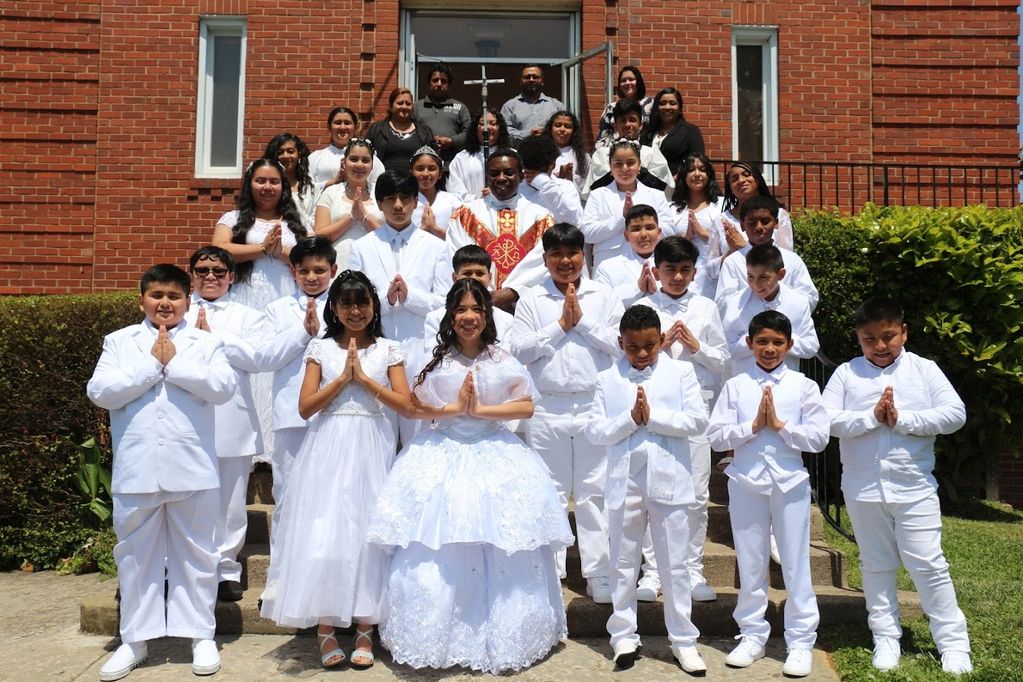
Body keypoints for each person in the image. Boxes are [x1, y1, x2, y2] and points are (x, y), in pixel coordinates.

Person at [367, 278, 573, 674]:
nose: (468, 317)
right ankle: (437, 634)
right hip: (441, 453)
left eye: (475, 310)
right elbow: (415, 407)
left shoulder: (502, 359)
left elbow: (526, 406)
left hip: (493, 453)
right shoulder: (437, 361)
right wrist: (454, 408)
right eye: (460, 309)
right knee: (435, 545)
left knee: (502, 544)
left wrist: (480, 412)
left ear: (486, 315)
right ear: (450, 315)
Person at [87, 264, 237, 681]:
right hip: (137, 468)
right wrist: (152, 367)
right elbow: (99, 391)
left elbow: (223, 388)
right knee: (136, 557)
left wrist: (177, 366)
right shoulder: (120, 342)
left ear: (188, 300)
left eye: (174, 295)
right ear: (141, 300)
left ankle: (200, 635)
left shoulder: (206, 343)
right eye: (156, 295)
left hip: (192, 466)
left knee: (198, 554)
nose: (165, 303)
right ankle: (135, 640)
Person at [260, 270, 411, 670]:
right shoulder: (320, 348)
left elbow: (406, 404)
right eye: (347, 303)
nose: (355, 310)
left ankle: (366, 627)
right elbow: (306, 406)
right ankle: (325, 627)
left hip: (374, 447)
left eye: (362, 302)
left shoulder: (389, 349)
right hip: (327, 448)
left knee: (369, 534)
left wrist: (365, 380)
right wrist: (344, 378)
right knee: (326, 533)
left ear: (374, 306)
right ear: (335, 307)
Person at [822, 298, 972, 676]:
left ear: (903, 332)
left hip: (914, 485)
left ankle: (953, 644)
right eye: (869, 338)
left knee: (929, 563)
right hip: (862, 486)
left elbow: (955, 414)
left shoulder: (925, 370)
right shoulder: (846, 373)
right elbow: (826, 420)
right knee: (876, 565)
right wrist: (870, 419)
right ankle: (886, 637)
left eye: (888, 336)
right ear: (858, 337)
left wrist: (903, 419)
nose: (880, 345)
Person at [584, 304, 709, 673]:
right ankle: (623, 636)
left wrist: (652, 418)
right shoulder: (607, 379)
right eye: (633, 347)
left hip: (669, 479)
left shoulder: (681, 372)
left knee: (675, 564)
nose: (641, 354)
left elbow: (697, 420)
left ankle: (684, 640)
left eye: (650, 346)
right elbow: (595, 430)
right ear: (620, 342)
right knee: (623, 562)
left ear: (661, 341)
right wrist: (629, 420)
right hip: (626, 481)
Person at [707, 310, 830, 678]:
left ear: (790, 346)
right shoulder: (737, 385)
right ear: (750, 344)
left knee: (795, 562)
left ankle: (800, 640)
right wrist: (752, 426)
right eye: (762, 341)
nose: (770, 348)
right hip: (746, 481)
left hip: (789, 482)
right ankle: (751, 634)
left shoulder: (804, 386)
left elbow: (819, 438)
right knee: (750, 561)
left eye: (777, 342)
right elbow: (717, 435)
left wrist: (780, 425)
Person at [509, 223, 624, 603]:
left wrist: (583, 322)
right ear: (545, 259)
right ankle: (552, 571)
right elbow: (520, 351)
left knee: (594, 493)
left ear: (584, 256)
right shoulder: (530, 299)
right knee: (551, 493)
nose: (565, 261)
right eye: (556, 254)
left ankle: (598, 573)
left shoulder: (603, 296)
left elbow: (619, 346)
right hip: (547, 405)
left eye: (572, 253)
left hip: (594, 404)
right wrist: (560, 325)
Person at [635, 235, 729, 604]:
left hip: (695, 411)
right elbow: (629, 357)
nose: (677, 277)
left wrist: (696, 347)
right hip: (654, 409)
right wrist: (658, 345)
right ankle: (653, 571)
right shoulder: (643, 306)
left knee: (696, 495)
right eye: (670, 270)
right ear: (656, 270)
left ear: (694, 272)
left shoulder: (705, 307)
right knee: (651, 493)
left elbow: (723, 362)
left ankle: (692, 570)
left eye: (685, 270)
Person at [184, 247, 271, 604]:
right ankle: (189, 567)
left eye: (219, 271)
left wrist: (213, 339)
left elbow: (257, 357)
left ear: (231, 277)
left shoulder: (248, 316)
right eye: (202, 270)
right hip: (185, 421)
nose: (210, 277)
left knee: (231, 505)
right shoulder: (177, 310)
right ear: (192, 274)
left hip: (232, 420)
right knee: (186, 499)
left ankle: (225, 570)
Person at [260, 237, 338, 561]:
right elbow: (265, 357)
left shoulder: (345, 304)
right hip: (292, 413)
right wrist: (303, 334)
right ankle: (280, 580)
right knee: (289, 495)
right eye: (304, 270)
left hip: (335, 415)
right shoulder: (277, 309)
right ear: (293, 271)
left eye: (319, 270)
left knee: (330, 497)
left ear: (333, 270)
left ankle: (321, 577)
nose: (311, 277)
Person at [349, 169, 452, 345]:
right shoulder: (361, 247)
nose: (398, 205)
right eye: (390, 199)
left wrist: (410, 297)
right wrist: (386, 300)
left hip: (423, 345)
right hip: (375, 344)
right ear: (380, 204)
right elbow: (354, 302)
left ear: (415, 202)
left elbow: (445, 303)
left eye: (404, 199)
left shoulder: (437, 247)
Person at [447, 148, 555, 312]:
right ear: (487, 177)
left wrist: (513, 291)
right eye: (494, 173)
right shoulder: (465, 214)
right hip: (477, 303)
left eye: (509, 173)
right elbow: (458, 255)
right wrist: (484, 291)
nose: (501, 178)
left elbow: (541, 261)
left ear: (521, 176)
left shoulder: (541, 217)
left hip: (525, 304)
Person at [212, 158, 308, 312]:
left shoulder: (298, 222)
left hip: (287, 295)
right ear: (249, 184)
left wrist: (280, 252)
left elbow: (313, 258)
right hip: (244, 294)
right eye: (260, 181)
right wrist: (262, 248)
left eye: (274, 181)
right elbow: (218, 252)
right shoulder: (232, 218)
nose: (267, 187)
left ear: (283, 186)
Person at [719, 243, 819, 376]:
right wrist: (753, 340)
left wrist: (782, 339)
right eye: (750, 277)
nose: (756, 284)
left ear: (781, 274)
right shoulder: (734, 303)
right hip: (746, 379)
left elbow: (811, 346)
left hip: (785, 379)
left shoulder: (798, 302)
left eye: (763, 277)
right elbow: (726, 350)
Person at [582, 139, 674, 268]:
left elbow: (670, 230)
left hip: (649, 261)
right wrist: (622, 218)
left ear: (639, 164)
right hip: (608, 262)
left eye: (630, 163)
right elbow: (587, 234)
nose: (625, 169)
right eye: (618, 164)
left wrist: (644, 227)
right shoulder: (598, 195)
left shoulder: (655, 194)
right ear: (610, 165)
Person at [715, 195, 818, 309]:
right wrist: (756, 296)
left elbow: (809, 297)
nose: (759, 227)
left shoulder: (792, 260)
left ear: (776, 223)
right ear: (743, 225)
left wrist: (776, 297)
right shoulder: (732, 262)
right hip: (746, 325)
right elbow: (723, 302)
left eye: (765, 221)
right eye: (752, 222)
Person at [582, 99, 674, 201]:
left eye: (632, 119)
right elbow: (595, 188)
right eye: (622, 120)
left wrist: (640, 169)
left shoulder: (652, 153)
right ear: (615, 125)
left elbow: (664, 189)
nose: (627, 124)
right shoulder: (602, 155)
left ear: (641, 124)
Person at [314, 138, 384, 269]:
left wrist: (364, 216)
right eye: (353, 159)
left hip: (375, 263)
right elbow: (319, 238)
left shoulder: (382, 192)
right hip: (339, 263)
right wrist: (350, 218)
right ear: (344, 163)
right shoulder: (331, 192)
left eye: (365, 160)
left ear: (372, 165)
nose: (359, 165)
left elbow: (390, 236)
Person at [669, 153, 725, 298]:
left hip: (714, 272)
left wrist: (704, 234)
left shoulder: (722, 205)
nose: (697, 174)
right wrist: (685, 238)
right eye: (691, 169)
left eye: (702, 169)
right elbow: (664, 244)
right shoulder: (672, 208)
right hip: (682, 273)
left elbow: (731, 241)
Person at [592, 203, 661, 308]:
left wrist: (658, 292)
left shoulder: (675, 264)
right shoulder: (607, 267)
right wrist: (637, 288)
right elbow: (602, 304)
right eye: (636, 229)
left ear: (659, 232)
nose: (643, 234)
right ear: (626, 235)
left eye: (649, 227)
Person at [721, 161, 794, 251]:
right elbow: (709, 263)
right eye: (735, 179)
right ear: (730, 189)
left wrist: (744, 247)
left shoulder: (780, 215)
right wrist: (730, 255)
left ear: (758, 180)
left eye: (746, 175)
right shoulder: (721, 220)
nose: (741, 180)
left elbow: (786, 256)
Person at [263, 132, 327, 228]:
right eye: (280, 152)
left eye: (290, 151)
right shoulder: (267, 187)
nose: (285, 156)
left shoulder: (311, 189)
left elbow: (315, 223)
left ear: (299, 154)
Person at [307, 106, 385, 185]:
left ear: (356, 127)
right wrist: (333, 181)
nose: (342, 127)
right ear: (329, 127)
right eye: (338, 123)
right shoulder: (315, 158)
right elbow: (306, 189)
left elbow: (380, 186)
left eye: (347, 123)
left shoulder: (368, 158)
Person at [517, 133, 583, 227]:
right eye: (529, 169)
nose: (533, 176)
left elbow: (575, 223)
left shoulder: (565, 187)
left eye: (540, 171)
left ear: (553, 164)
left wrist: (544, 184)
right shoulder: (515, 189)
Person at [446, 108, 511, 202]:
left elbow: (521, 186)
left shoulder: (511, 156)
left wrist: (500, 192)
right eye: (482, 124)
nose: (487, 127)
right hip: (471, 211)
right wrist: (479, 200)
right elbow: (455, 191)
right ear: (475, 129)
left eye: (493, 123)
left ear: (500, 128)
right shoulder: (462, 158)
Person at [640, 88, 706, 178]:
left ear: (679, 108)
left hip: (677, 186)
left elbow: (697, 161)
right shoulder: (648, 133)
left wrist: (679, 178)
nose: (667, 107)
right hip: (649, 186)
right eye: (662, 103)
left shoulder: (690, 131)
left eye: (672, 103)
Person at [413, 63, 471, 165]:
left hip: (452, 166)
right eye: (435, 80)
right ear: (429, 83)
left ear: (449, 85)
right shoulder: (416, 107)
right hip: (423, 166)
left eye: (443, 81)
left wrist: (452, 141)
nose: (439, 84)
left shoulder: (460, 107)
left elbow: (470, 132)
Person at [368, 88, 437, 172]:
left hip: (415, 183)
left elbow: (435, 160)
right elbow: (367, 156)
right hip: (384, 182)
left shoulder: (424, 132)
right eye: (400, 103)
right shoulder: (377, 130)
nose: (404, 107)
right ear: (390, 106)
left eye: (408, 104)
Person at [500, 65, 565, 145]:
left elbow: (565, 129)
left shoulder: (556, 106)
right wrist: (528, 134)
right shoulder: (509, 106)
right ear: (521, 81)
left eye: (535, 77)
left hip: (550, 154)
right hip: (520, 154)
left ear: (542, 81)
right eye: (527, 77)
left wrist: (547, 133)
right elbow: (504, 133)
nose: (531, 80)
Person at [409, 146, 459, 240]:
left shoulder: (453, 201)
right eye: (420, 169)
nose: (425, 174)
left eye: (431, 169)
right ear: (411, 172)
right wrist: (423, 229)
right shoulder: (405, 202)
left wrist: (435, 229)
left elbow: (461, 238)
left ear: (440, 173)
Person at [597, 65, 654, 143]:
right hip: (617, 150)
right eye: (623, 80)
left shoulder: (650, 104)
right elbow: (602, 136)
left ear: (638, 82)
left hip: (644, 150)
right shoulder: (611, 108)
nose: (627, 83)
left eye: (631, 79)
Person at [545, 110, 589, 195]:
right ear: (550, 129)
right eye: (557, 125)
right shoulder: (542, 153)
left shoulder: (583, 157)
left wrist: (570, 180)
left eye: (567, 126)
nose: (562, 129)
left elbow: (587, 191)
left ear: (574, 131)